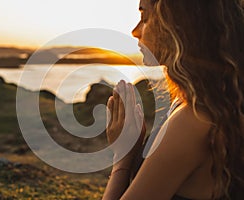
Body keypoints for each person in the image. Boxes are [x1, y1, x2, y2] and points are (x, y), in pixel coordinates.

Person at [102, 0, 244, 199]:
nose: (135, 31)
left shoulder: (193, 122)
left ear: (177, 25)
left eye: (145, 18)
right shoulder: (202, 105)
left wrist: (123, 157)